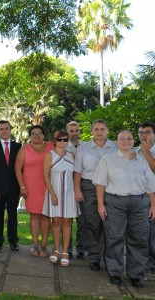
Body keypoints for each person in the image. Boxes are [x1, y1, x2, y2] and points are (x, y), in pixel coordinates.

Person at [93, 130, 155, 287]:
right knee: (115, 237)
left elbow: (150, 186)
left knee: (139, 239)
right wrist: (100, 204)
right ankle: (115, 272)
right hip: (115, 203)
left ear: (133, 141)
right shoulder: (108, 160)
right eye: (122, 139)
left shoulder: (141, 161)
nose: (126, 141)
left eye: (129, 138)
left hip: (140, 203)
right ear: (116, 142)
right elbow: (100, 183)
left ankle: (136, 274)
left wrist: (153, 204)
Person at [74, 119, 117, 271]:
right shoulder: (83, 148)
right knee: (93, 223)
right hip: (89, 188)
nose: (99, 132)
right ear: (91, 131)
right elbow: (78, 171)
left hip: (111, 188)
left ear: (107, 131)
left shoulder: (115, 147)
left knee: (111, 224)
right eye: (96, 129)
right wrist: (77, 190)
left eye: (102, 129)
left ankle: (110, 257)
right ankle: (95, 257)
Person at [43, 130, 80, 267]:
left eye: (65, 139)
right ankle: (56, 250)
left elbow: (76, 175)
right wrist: (52, 194)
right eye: (60, 139)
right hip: (55, 192)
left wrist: (77, 191)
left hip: (69, 193)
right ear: (54, 141)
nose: (63, 142)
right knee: (56, 221)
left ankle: (65, 252)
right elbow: (46, 176)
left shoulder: (72, 155)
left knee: (67, 221)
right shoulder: (49, 156)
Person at [15, 125, 53, 257]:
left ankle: (44, 245)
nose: (37, 136)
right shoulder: (24, 149)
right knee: (34, 216)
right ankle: (35, 244)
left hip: (48, 187)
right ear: (30, 136)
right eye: (33, 133)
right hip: (31, 188)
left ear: (44, 135)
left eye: (39, 133)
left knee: (46, 216)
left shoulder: (51, 147)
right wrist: (22, 187)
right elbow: (17, 169)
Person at [0, 120, 22, 252]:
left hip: (14, 188)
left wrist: (21, 186)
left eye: (6, 128)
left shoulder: (18, 147)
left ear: (10, 130)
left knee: (13, 215)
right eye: (1, 129)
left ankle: (13, 241)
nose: (4, 131)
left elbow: (22, 169)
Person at [135, 121, 155, 276]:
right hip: (140, 196)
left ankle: (152, 261)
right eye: (141, 132)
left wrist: (146, 152)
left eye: (147, 132)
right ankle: (141, 260)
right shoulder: (134, 152)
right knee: (142, 231)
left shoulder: (146, 151)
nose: (144, 135)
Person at [65, 121, 87, 259]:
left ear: (80, 131)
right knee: (66, 219)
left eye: (76, 131)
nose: (74, 133)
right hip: (66, 187)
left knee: (82, 220)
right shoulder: (62, 147)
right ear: (67, 132)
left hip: (82, 186)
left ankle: (81, 249)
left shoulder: (86, 147)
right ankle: (67, 249)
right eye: (71, 131)